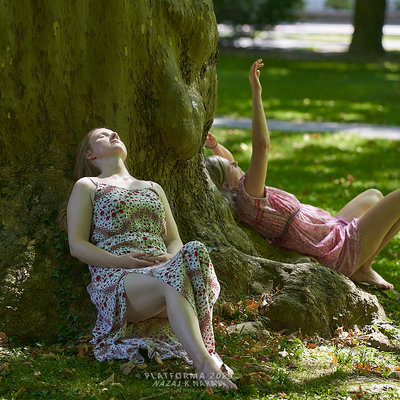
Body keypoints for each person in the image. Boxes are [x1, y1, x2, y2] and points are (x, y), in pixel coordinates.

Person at [205, 58, 399, 291]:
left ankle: (363, 266)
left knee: (374, 195)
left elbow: (227, 161)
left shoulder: (242, 194)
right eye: (232, 167)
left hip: (330, 231)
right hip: (337, 250)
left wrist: (215, 147)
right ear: (227, 185)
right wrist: (256, 94)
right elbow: (261, 145)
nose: (236, 164)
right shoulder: (249, 198)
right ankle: (358, 266)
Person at [66, 127, 237, 390]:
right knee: (172, 278)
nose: (113, 135)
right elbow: (77, 246)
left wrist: (170, 257)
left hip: (164, 270)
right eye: (102, 135)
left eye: (115, 132)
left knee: (195, 250)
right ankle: (204, 364)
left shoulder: (153, 187)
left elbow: (174, 239)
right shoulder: (89, 186)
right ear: (89, 154)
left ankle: (206, 348)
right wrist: (122, 261)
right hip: (119, 278)